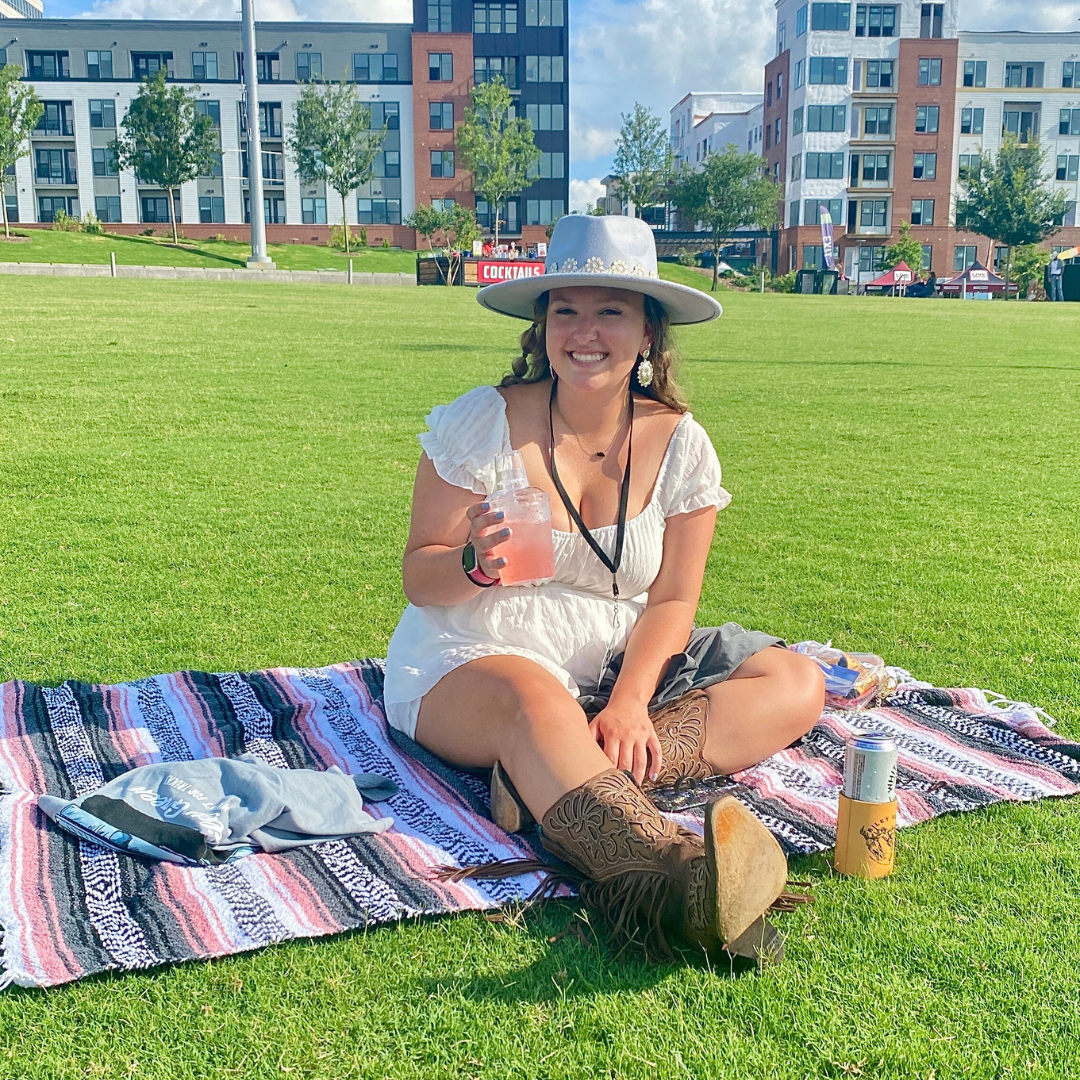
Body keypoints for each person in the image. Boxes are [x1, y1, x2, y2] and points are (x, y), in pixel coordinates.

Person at [384, 216, 825, 963]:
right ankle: (675, 879)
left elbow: (674, 600)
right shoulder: (481, 422)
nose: (584, 332)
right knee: (535, 703)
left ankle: (546, 778)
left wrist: (628, 704)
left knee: (795, 681)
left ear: (648, 332)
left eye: (610, 311)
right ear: (543, 325)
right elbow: (419, 577)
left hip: (613, 661)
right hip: (476, 650)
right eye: (566, 310)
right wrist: (473, 564)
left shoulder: (682, 442)